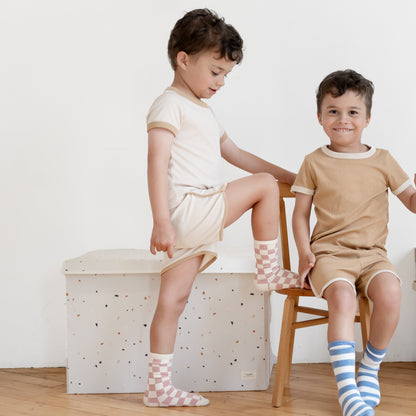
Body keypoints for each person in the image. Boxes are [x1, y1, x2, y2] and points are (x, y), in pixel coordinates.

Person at [144, 9, 299, 407]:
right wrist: (160, 220)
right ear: (183, 59)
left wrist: (294, 178)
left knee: (172, 301)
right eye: (215, 72)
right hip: (190, 209)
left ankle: (157, 387)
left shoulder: (205, 112)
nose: (221, 82)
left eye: (226, 75)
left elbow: (239, 155)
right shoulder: (169, 105)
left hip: (191, 216)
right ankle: (269, 270)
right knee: (264, 188)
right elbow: (156, 162)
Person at [291, 69, 416, 416]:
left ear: (367, 118)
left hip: (373, 256)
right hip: (329, 256)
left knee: (391, 292)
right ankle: (347, 392)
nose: (342, 120)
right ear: (319, 117)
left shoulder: (384, 160)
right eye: (333, 111)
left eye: (352, 112)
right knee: (343, 297)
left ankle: (370, 369)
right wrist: (304, 252)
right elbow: (300, 215)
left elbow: (412, 202)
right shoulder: (314, 162)